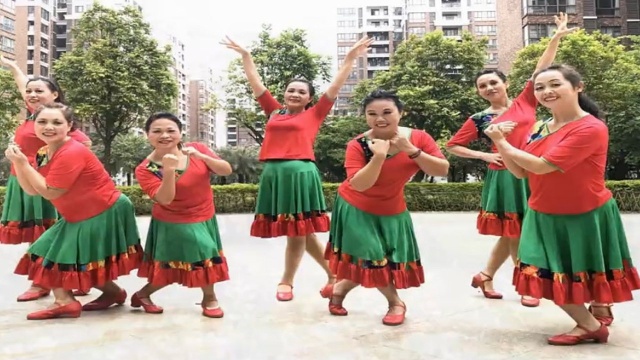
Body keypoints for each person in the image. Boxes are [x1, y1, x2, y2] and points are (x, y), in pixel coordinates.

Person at [484, 64, 640, 345]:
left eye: (555, 84)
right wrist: (502, 145)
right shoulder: (541, 127)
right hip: (543, 212)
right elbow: (521, 172)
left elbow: (543, 167)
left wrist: (502, 144)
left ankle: (592, 323)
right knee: (541, 273)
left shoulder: (591, 128)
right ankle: (595, 317)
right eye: (539, 87)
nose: (546, 92)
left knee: (584, 267)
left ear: (577, 87)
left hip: (585, 213)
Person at [220, 35, 373, 301]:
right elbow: (255, 83)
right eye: (291, 90)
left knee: (296, 231)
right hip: (274, 175)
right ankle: (333, 273)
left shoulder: (314, 113)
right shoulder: (273, 111)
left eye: (302, 92)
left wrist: (350, 59)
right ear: (284, 94)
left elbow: (335, 86)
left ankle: (286, 281)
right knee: (303, 230)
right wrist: (246, 55)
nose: (295, 94)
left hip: (301, 174)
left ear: (310, 99)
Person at [445, 13, 574, 307]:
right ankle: (526, 285)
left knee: (515, 230)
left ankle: (485, 275)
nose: (489, 88)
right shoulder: (479, 119)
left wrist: (554, 37)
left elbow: (540, 69)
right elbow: (453, 146)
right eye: (482, 86)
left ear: (505, 83)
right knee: (519, 230)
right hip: (504, 177)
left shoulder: (526, 100)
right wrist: (487, 153)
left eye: (493, 82)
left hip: (533, 170)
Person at [320, 90, 449, 326]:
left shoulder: (418, 138)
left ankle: (338, 289)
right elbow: (358, 184)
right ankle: (396, 303)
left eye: (387, 112)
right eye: (372, 114)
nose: (380, 118)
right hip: (355, 206)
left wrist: (412, 150)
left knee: (384, 260)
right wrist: (377, 157)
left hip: (393, 208)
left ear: (401, 113)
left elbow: (441, 170)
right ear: (365, 117)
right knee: (373, 256)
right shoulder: (358, 145)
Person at [7, 103, 142, 320]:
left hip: (102, 209)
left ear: (69, 125)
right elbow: (32, 190)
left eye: (56, 122)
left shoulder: (72, 151)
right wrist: (20, 164)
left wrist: (24, 164)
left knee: (65, 257)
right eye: (42, 122)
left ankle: (66, 302)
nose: (48, 127)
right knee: (54, 253)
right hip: (78, 213)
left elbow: (50, 192)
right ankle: (112, 293)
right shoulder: (43, 152)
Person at [0, 55, 93, 301]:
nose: (31, 94)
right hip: (21, 181)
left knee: (52, 233)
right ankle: (46, 281)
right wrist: (13, 66)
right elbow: (23, 84)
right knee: (36, 234)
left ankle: (52, 281)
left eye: (38, 91)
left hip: (46, 183)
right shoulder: (35, 114)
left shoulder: (56, 120)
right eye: (29, 91)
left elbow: (84, 143)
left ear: (54, 95)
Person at [133, 112, 233, 318]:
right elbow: (165, 199)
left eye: (171, 130)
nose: (165, 135)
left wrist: (203, 157)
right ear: (147, 135)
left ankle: (143, 294)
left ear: (180, 133)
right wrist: (168, 171)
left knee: (172, 266)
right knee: (204, 252)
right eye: (157, 131)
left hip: (205, 215)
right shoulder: (147, 168)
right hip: (174, 221)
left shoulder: (196, 149)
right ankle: (209, 298)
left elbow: (226, 170)